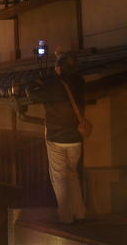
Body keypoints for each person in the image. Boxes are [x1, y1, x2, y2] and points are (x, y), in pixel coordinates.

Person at [27, 51, 86, 223]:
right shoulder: (80, 82)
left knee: (59, 177)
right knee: (72, 174)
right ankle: (80, 212)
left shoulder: (54, 85)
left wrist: (34, 84)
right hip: (76, 137)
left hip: (56, 139)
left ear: (59, 68)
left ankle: (66, 216)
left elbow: (34, 96)